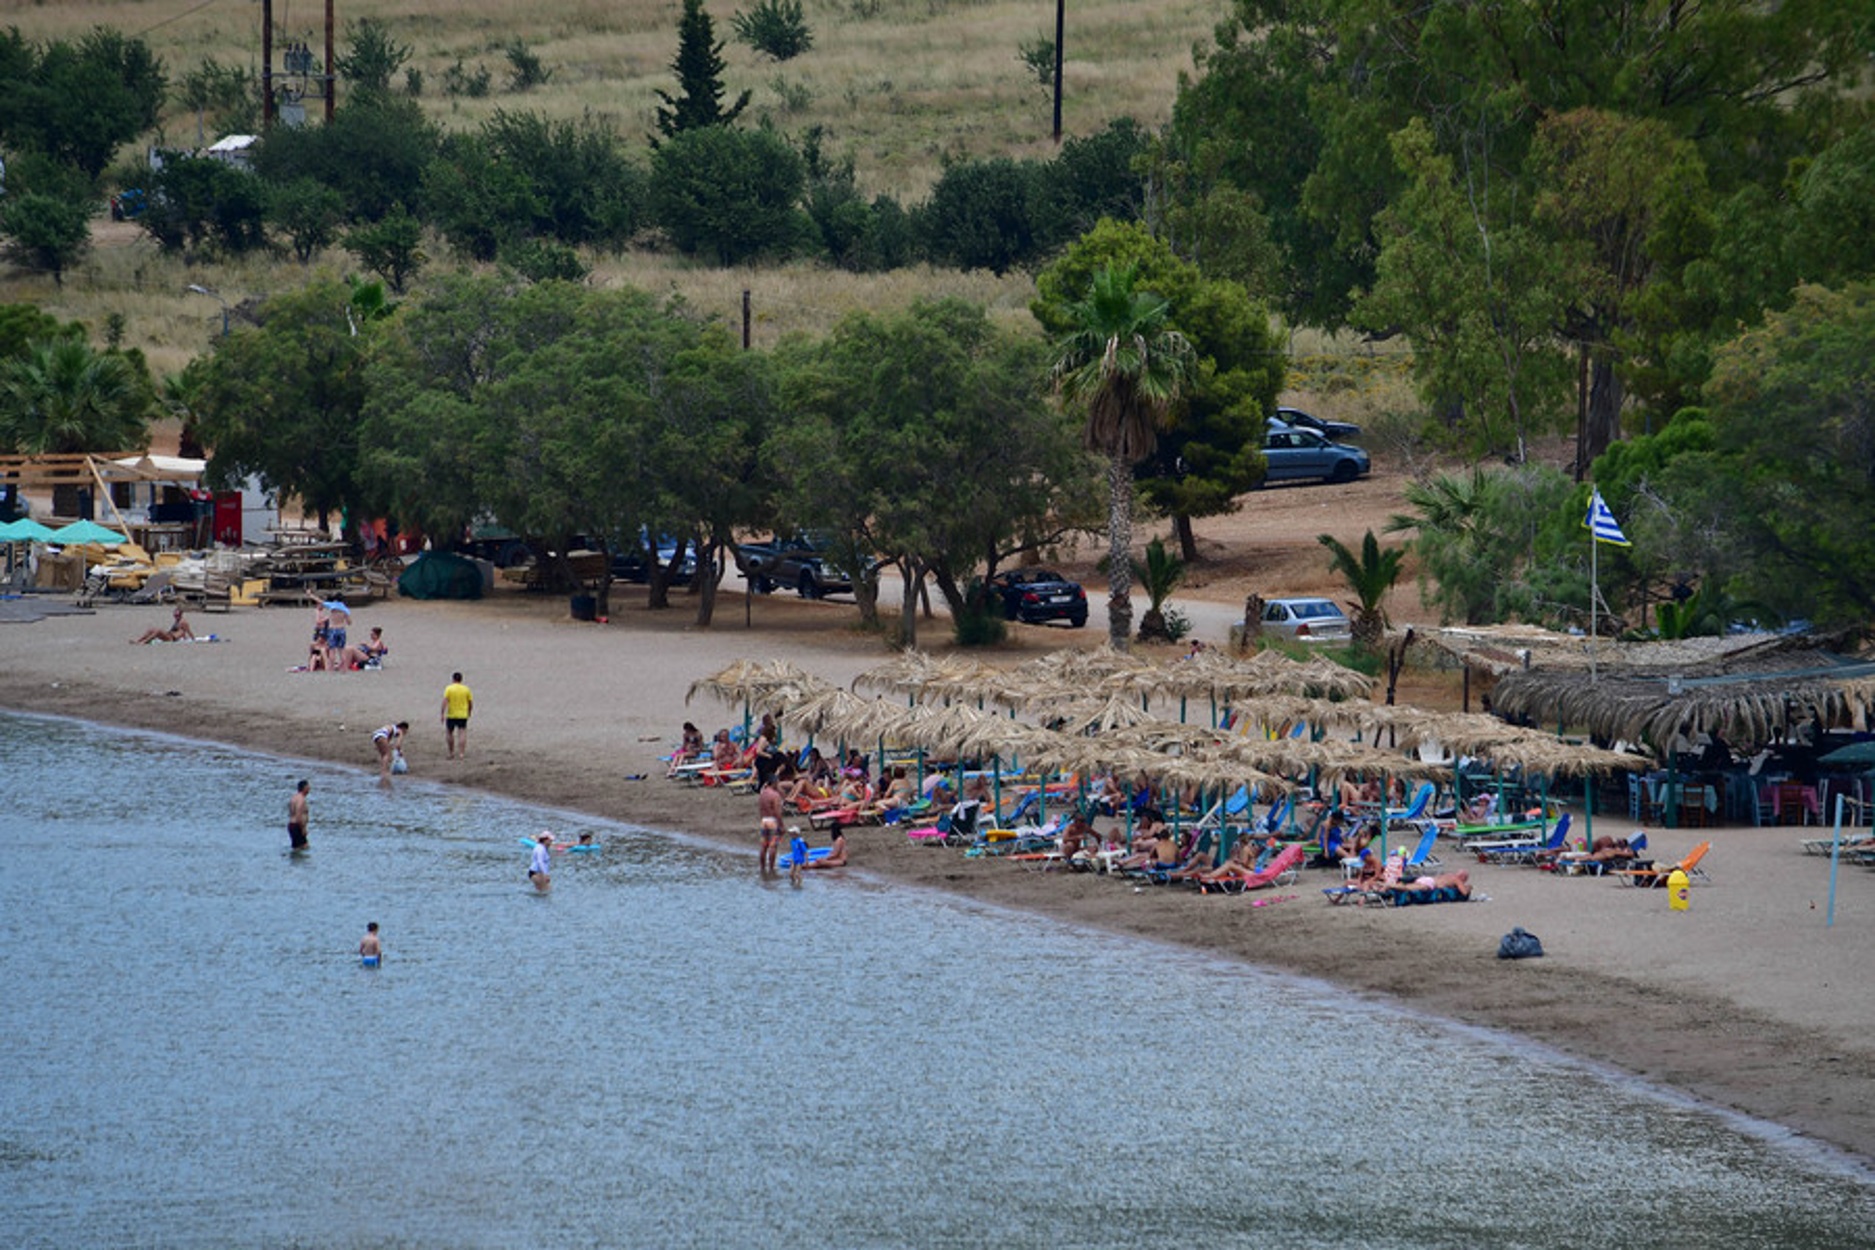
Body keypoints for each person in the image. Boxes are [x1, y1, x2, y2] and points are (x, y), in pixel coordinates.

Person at [441, 671, 473, 760]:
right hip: (462, 714)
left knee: (449, 733)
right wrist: (469, 711)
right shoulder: (466, 689)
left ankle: (451, 752)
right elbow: (470, 702)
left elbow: (445, 702)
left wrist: (442, 713)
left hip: (451, 714)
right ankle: (461, 753)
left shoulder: (449, 689)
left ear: (453, 679)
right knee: (462, 733)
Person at [758, 777, 783, 874]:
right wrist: (781, 825)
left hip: (764, 820)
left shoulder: (762, 794)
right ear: (774, 783)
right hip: (772, 821)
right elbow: (777, 811)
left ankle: (762, 868)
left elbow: (760, 809)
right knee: (773, 846)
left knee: (763, 846)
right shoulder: (775, 795)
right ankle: (772, 868)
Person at [324, 599, 351, 672]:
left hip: (333, 629)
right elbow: (349, 622)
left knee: (332, 651)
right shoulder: (344, 609)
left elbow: (319, 601)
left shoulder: (332, 606)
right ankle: (344, 668)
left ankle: (331, 668)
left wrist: (310, 595)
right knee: (342, 650)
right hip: (341, 629)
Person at [287, 779, 311, 850]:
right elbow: (298, 814)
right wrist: (303, 828)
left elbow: (292, 812)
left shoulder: (294, 798)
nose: (309, 789)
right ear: (304, 788)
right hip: (297, 826)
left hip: (292, 825)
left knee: (297, 848)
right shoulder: (301, 799)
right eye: (308, 787)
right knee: (303, 847)